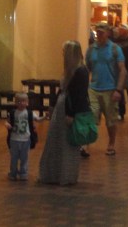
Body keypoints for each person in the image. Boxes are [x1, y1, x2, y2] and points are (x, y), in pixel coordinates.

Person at [38, 40, 90, 185]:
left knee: (67, 144)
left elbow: (79, 95)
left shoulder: (81, 71)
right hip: (61, 108)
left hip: (68, 110)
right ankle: (53, 174)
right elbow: (61, 90)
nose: (62, 54)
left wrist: (72, 114)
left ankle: (65, 175)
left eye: (64, 51)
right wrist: (52, 106)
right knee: (56, 141)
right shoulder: (70, 70)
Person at [85, 23, 127, 156]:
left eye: (102, 33)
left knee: (111, 120)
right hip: (94, 89)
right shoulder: (91, 49)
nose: (99, 35)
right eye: (98, 32)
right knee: (91, 117)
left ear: (108, 33)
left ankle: (111, 143)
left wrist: (118, 90)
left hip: (110, 89)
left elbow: (122, 70)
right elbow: (87, 68)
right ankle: (86, 145)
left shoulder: (115, 49)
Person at [5, 92, 42, 181]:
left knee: (24, 158)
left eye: (23, 101)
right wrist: (7, 124)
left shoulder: (30, 113)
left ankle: (23, 173)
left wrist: (45, 117)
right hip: (14, 139)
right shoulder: (13, 112)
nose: (21, 103)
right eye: (18, 101)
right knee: (14, 158)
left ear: (27, 102)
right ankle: (13, 173)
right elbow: (7, 121)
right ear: (15, 102)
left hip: (26, 139)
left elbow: (38, 119)